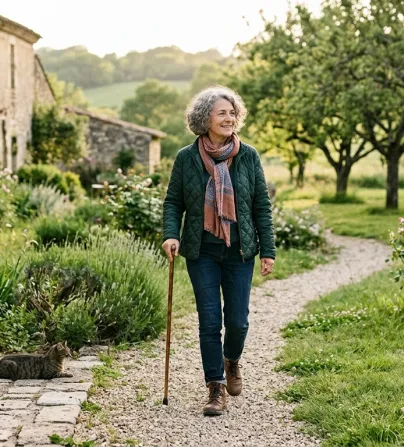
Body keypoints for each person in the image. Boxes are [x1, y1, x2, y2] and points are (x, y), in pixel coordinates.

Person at [162, 86, 276, 416]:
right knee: (210, 321)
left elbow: (260, 206)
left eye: (231, 112)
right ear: (204, 119)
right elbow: (173, 202)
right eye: (220, 113)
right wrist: (171, 234)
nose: (228, 118)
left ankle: (232, 360)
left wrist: (267, 250)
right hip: (203, 253)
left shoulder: (248, 156)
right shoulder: (186, 158)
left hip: (240, 252)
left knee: (238, 322)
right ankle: (216, 386)